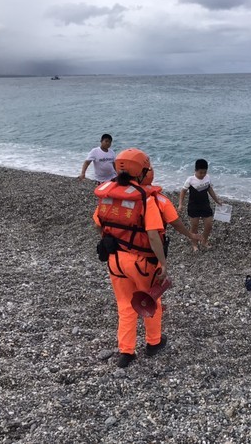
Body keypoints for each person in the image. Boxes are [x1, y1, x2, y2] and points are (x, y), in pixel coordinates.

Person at [92, 148, 168, 368]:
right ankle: (153, 343)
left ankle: (127, 351)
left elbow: (98, 224)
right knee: (151, 299)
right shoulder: (146, 199)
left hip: (115, 260)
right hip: (142, 262)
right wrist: (163, 263)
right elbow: (153, 236)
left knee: (125, 305)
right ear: (142, 171)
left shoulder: (108, 195)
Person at [177, 159, 222, 251]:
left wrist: (217, 201)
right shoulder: (190, 180)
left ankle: (204, 241)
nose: (202, 175)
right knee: (194, 226)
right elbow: (183, 192)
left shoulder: (207, 178)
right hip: (193, 206)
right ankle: (194, 244)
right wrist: (180, 204)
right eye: (200, 173)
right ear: (195, 170)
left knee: (209, 225)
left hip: (205, 205)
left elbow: (210, 190)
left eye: (204, 172)